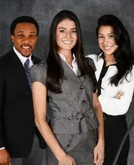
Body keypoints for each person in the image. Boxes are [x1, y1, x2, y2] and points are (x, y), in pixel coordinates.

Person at [30, 10, 105, 165]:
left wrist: (101, 143)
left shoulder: (87, 65)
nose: (68, 36)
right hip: (63, 145)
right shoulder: (41, 70)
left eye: (73, 31)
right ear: (54, 34)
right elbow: (39, 119)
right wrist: (61, 156)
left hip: (91, 143)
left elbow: (96, 104)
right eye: (62, 31)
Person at [0, 16, 46, 165]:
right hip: (11, 147)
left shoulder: (42, 65)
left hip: (39, 143)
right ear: (13, 38)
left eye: (31, 36)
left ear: (36, 38)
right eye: (21, 35)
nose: (26, 41)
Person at [86, 14, 134, 165]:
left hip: (115, 131)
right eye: (101, 36)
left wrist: (93, 96)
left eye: (110, 36)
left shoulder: (128, 69)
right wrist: (110, 97)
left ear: (119, 38)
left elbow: (121, 107)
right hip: (90, 129)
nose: (105, 42)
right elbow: (78, 93)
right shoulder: (90, 60)